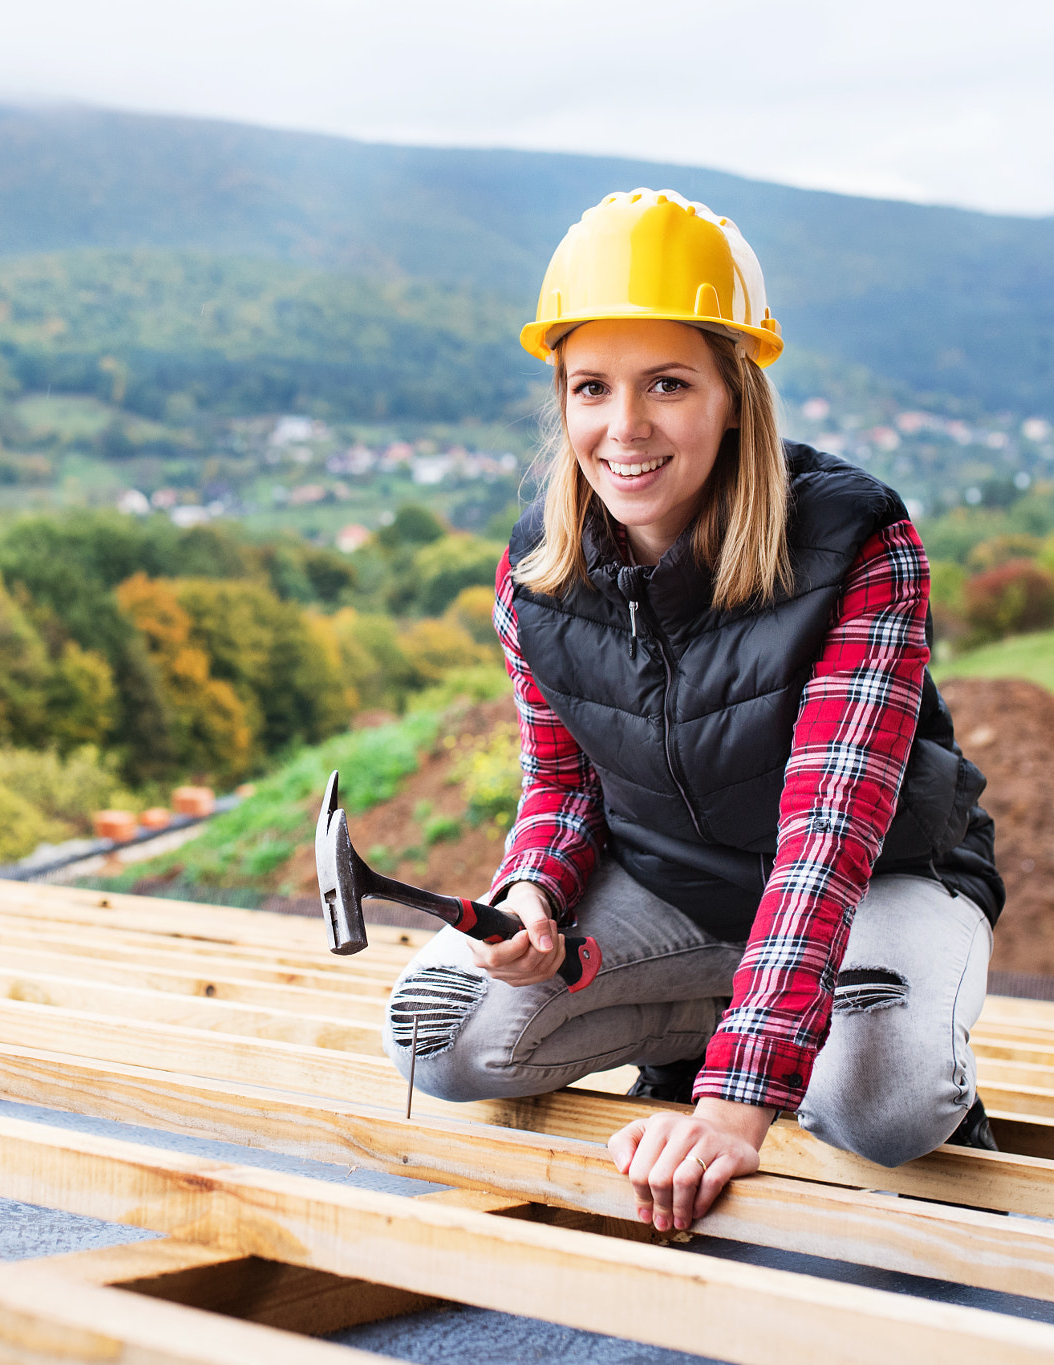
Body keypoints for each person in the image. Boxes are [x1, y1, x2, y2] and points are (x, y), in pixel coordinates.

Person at [383, 189, 1005, 1238]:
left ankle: (788, 1040)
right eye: (590, 388)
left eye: (665, 384)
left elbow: (823, 840)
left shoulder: (856, 544)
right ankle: (721, 1021)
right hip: (672, 881)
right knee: (436, 1037)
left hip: (874, 879)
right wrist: (533, 891)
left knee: (880, 1105)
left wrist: (729, 1109)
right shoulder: (535, 572)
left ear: (733, 392)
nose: (621, 429)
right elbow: (561, 778)